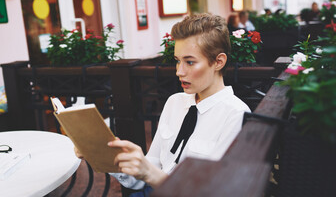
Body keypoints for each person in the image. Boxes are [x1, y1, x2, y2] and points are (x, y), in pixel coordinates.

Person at [75, 13, 251, 196]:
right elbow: (150, 168)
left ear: (218, 62)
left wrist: (150, 174)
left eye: (189, 62)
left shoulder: (236, 115)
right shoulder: (175, 102)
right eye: (178, 61)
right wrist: (109, 157)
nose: (179, 72)